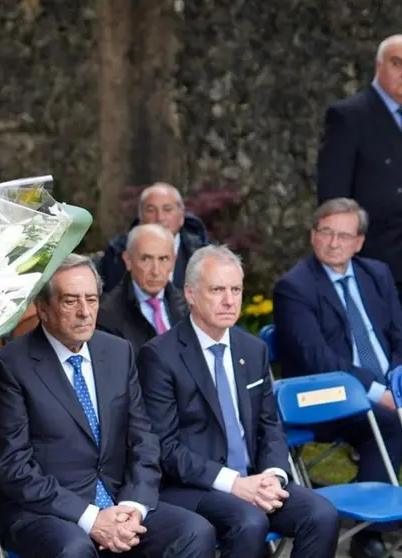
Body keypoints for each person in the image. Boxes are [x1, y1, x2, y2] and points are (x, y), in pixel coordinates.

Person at [0, 253, 217, 558]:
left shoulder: (118, 352)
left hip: (119, 499)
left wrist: (134, 505)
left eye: (91, 300)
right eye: (70, 301)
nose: (84, 312)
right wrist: (91, 517)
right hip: (44, 510)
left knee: (195, 532)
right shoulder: (8, 367)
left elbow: (144, 439)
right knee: (75, 550)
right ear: (42, 308)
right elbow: (13, 468)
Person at [137, 246, 340, 558]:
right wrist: (234, 484)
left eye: (236, 289)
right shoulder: (160, 356)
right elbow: (164, 447)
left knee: (322, 515)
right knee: (249, 521)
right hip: (192, 487)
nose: (230, 300)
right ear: (190, 295)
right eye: (217, 289)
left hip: (255, 479)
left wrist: (274, 475)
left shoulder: (252, 349)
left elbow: (269, 425)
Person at [274, 198, 402, 558]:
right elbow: (319, 360)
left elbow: (397, 337)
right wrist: (379, 393)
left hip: (387, 388)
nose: (334, 243)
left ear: (359, 241)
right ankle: (369, 535)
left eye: (343, 235)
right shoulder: (294, 287)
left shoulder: (376, 273)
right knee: (388, 423)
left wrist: (397, 383)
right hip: (326, 399)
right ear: (313, 235)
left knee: (388, 416)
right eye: (326, 232)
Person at [317, 35, 402, 302]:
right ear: (379, 66)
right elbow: (334, 197)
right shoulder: (350, 117)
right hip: (377, 264)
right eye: (397, 63)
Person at [97, 183, 209, 293]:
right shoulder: (117, 253)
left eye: (167, 209)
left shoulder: (201, 253)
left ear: (181, 217)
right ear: (140, 217)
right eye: (151, 210)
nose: (159, 217)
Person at [97, 224, 188, 353]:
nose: (156, 271)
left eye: (163, 259)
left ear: (174, 261)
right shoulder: (107, 316)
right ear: (128, 260)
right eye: (146, 259)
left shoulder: (189, 306)